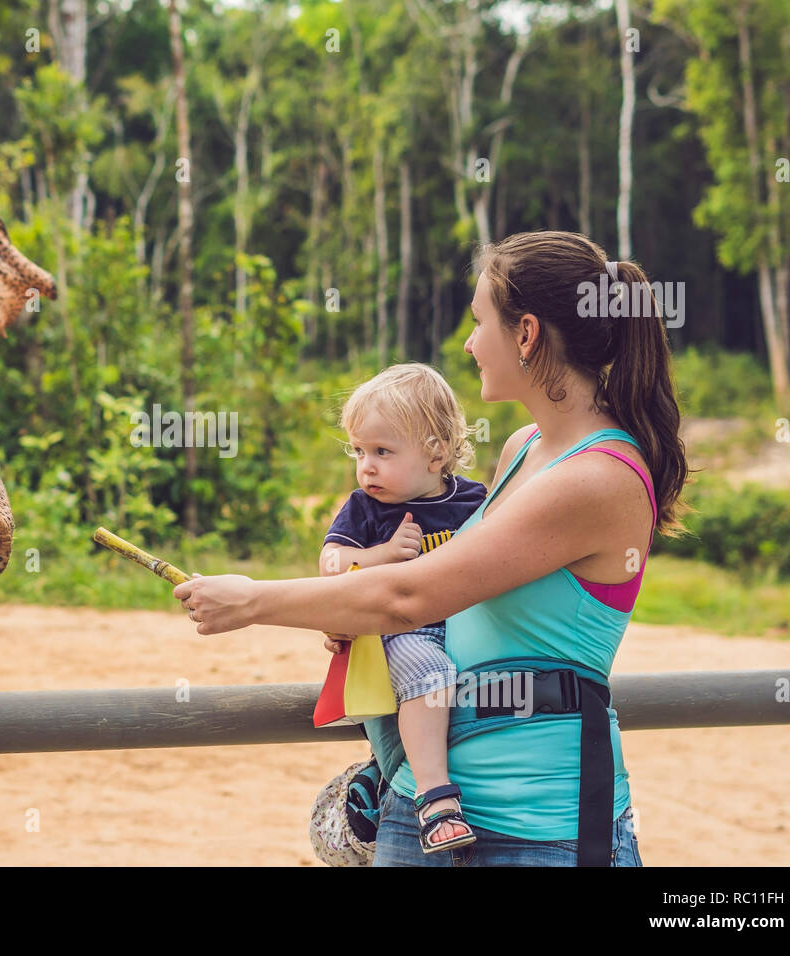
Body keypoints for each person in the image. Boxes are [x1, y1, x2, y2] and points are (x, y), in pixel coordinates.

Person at [174, 230, 689, 866]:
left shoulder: (599, 477)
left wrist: (253, 601)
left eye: (479, 323)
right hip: (426, 810)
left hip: (535, 826)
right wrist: (349, 615)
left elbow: (409, 595)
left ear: (526, 334)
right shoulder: (523, 448)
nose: (470, 344)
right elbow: (445, 598)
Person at [319, 363, 487, 853]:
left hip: (467, 629)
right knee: (429, 675)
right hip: (400, 636)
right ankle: (433, 798)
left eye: (382, 451)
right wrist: (379, 557)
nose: (365, 466)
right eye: (359, 451)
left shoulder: (474, 502)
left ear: (435, 453)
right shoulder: (367, 509)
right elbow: (332, 563)